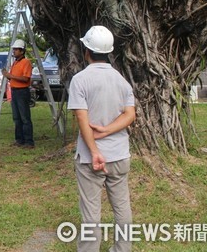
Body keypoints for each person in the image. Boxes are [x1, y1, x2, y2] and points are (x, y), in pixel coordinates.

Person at [68, 26, 136, 252]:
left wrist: (96, 150)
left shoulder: (80, 80)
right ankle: (122, 249)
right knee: (122, 207)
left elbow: (81, 117)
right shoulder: (121, 80)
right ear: (109, 52)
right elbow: (130, 115)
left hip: (90, 159)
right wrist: (108, 130)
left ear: (87, 50)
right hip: (119, 155)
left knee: (91, 211)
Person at [1, 39, 34, 149]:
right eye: (14, 49)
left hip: (22, 92)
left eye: (16, 49)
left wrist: (10, 76)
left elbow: (25, 79)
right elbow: (13, 78)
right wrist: (7, 75)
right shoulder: (15, 63)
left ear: (22, 51)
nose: (14, 51)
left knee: (24, 117)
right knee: (16, 117)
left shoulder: (26, 62)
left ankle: (29, 142)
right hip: (15, 91)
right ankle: (19, 140)